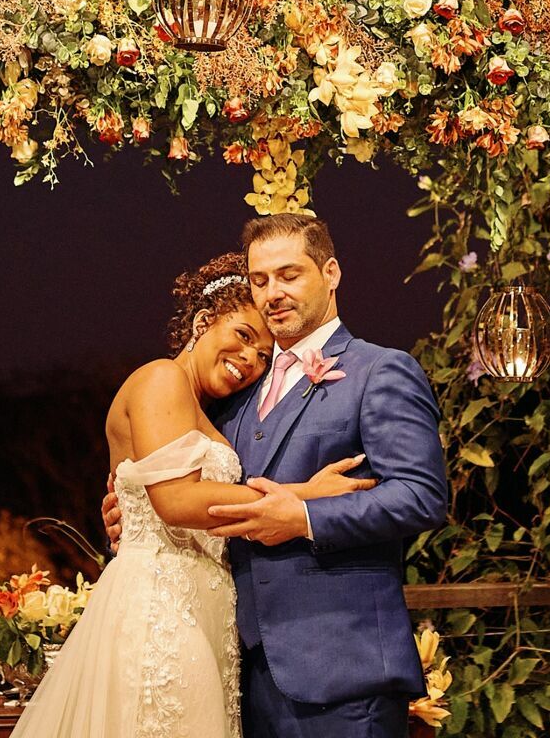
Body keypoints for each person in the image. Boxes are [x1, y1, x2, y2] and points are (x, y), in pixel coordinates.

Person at [104, 215, 452, 738]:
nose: (273, 292)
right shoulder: (235, 392)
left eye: (289, 275)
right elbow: (184, 487)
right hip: (239, 671)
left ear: (331, 273)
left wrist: (306, 515)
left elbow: (422, 497)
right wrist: (127, 508)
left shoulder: (380, 370)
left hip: (344, 669)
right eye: (260, 280)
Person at [10, 252, 377, 738]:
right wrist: (305, 494)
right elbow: (176, 502)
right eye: (243, 336)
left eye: (264, 356)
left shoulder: (208, 412)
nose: (250, 360)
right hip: (160, 609)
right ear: (204, 322)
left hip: (205, 609)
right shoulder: (160, 378)